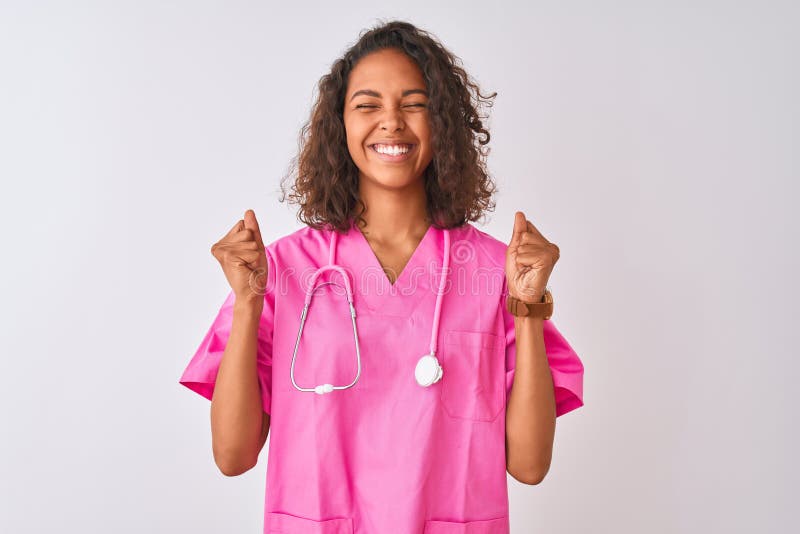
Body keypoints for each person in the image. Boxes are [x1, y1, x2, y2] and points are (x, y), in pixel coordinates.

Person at [179, 19, 584, 534]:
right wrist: (248, 303)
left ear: (442, 124)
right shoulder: (281, 269)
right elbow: (233, 456)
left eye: (414, 104)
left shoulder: (494, 271)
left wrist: (527, 308)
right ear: (340, 125)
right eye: (368, 105)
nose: (391, 122)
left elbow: (529, 465)